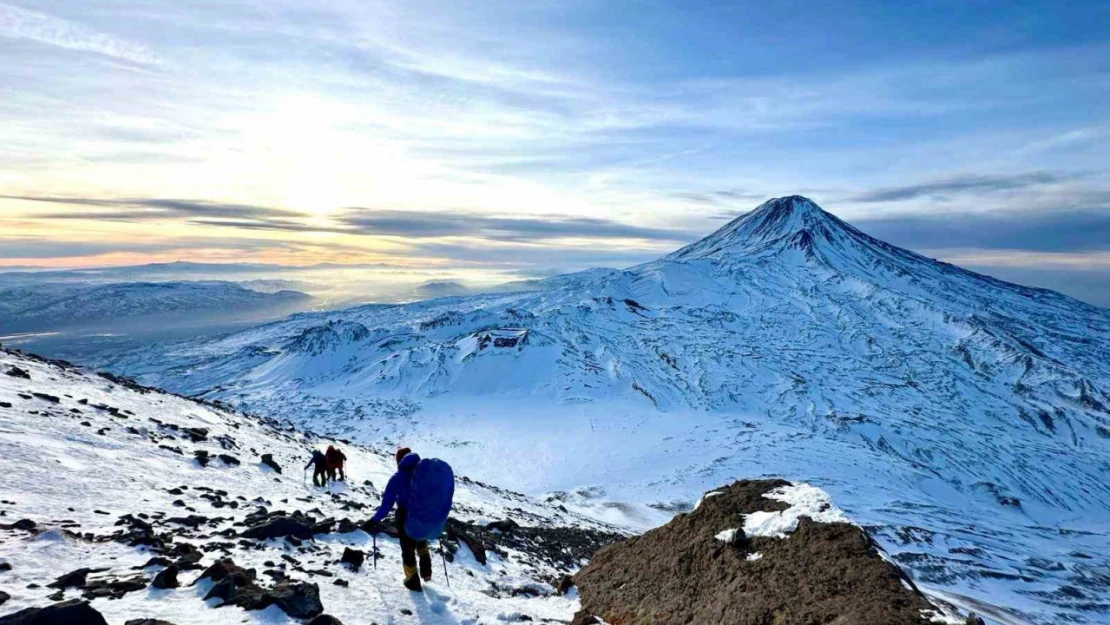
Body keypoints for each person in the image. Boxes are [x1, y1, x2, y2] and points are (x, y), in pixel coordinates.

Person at [368, 447, 433, 591]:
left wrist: (374, 520)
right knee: (422, 542)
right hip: (421, 514)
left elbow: (387, 505)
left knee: (407, 548)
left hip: (405, 516)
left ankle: (412, 580)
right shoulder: (423, 474)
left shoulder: (397, 478)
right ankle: (426, 572)